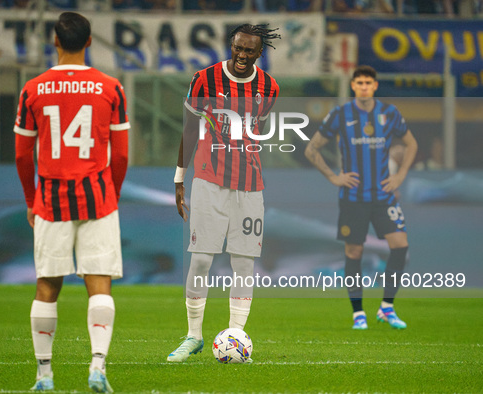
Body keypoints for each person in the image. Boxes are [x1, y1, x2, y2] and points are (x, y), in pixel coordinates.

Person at [14, 12, 129, 393]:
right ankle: (98, 367)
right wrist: (110, 193)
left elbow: (21, 154)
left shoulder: (32, 89)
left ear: (55, 41)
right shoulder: (111, 87)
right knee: (99, 284)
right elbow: (122, 154)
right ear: (90, 41)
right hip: (98, 197)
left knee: (47, 286)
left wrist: (31, 200)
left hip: (50, 199)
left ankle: (44, 375)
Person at [168, 24, 280, 362]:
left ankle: (236, 335)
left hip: (249, 186)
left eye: (250, 50)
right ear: (230, 46)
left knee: (244, 263)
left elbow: (255, 132)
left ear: (260, 53)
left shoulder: (269, 87)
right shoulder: (204, 79)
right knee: (201, 258)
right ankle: (193, 336)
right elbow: (189, 129)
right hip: (207, 179)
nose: (243, 55)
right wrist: (179, 177)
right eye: (238, 48)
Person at [304, 65, 418, 330]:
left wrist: (400, 176)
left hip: (383, 195)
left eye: (369, 82)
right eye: (360, 82)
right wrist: (333, 177)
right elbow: (312, 149)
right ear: (353, 86)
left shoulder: (389, 113)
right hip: (353, 196)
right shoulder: (341, 114)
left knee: (400, 245)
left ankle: (387, 307)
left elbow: (411, 144)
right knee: (353, 250)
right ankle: (358, 313)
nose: (364, 86)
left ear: (375, 85)